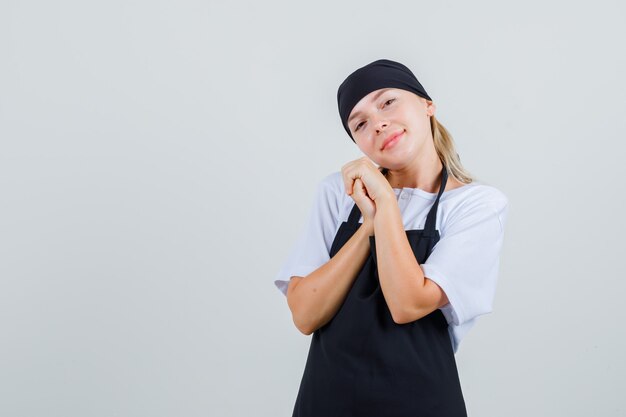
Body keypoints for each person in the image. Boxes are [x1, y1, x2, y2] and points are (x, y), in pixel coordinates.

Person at [273, 58, 509, 417]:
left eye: (387, 102)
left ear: (427, 105)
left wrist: (385, 203)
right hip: (326, 403)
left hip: (422, 404)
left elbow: (408, 304)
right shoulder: (338, 194)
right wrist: (368, 224)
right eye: (360, 123)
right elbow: (305, 314)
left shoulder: (476, 205)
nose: (379, 123)